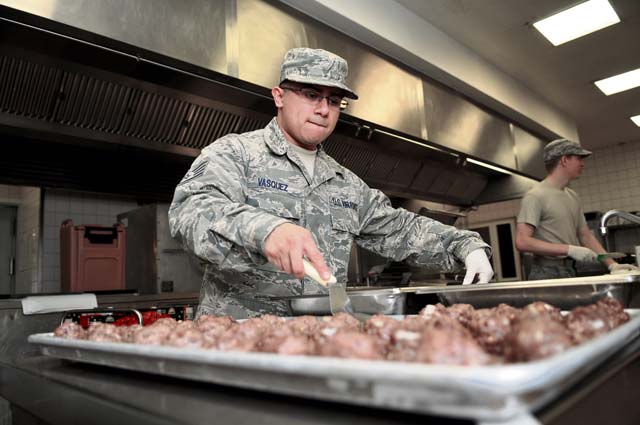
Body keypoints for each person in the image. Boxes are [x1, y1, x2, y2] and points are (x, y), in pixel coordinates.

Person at [169, 47, 493, 318]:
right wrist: (266, 230)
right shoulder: (235, 154)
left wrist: (466, 246)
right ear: (279, 96)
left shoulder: (345, 184)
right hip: (241, 346)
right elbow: (191, 213)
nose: (324, 109)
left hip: (324, 344)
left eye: (334, 100)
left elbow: (402, 229)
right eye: (311, 94)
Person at [516, 138, 639, 279]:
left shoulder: (572, 196)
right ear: (564, 160)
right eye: (579, 158)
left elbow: (585, 235)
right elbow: (522, 241)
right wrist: (569, 249)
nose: (583, 163)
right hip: (546, 272)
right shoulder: (535, 195)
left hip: (570, 270)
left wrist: (612, 265)